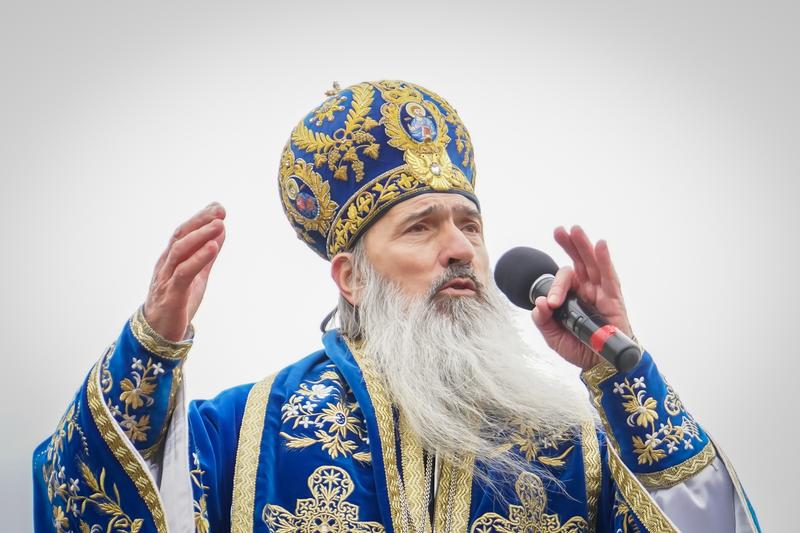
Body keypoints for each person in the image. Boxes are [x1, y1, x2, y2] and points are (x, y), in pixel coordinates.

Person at [33, 80, 760, 533]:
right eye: (421, 227)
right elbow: (86, 497)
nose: (460, 249)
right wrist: (150, 350)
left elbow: (709, 525)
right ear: (351, 277)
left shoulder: (574, 447)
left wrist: (626, 377)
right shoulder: (241, 433)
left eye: (470, 225)